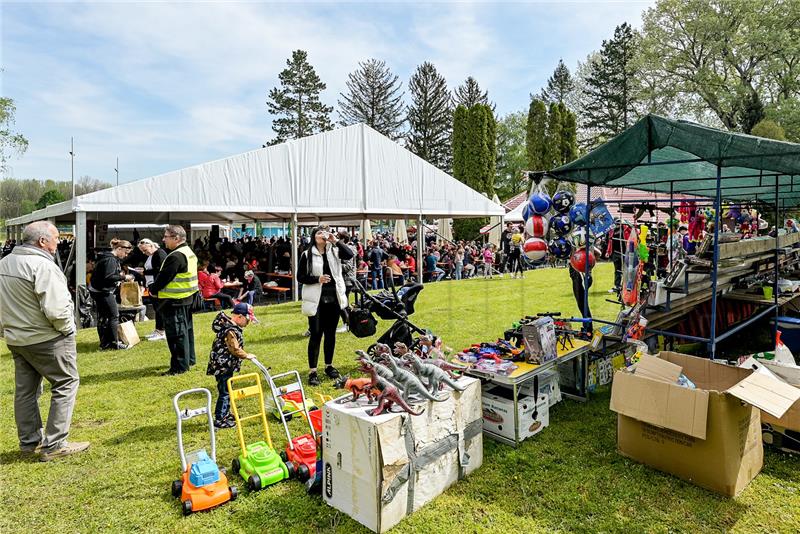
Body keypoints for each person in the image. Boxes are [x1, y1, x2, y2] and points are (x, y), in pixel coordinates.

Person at [0, 221, 88, 461]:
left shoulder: (5, 263)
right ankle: (55, 443)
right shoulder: (42, 266)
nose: (58, 242)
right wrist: (68, 331)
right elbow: (57, 309)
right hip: (47, 338)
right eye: (56, 238)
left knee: (25, 391)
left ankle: (29, 441)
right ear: (42, 241)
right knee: (66, 383)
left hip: (17, 338)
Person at [296, 226, 354, 386]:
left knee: (330, 333)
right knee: (315, 333)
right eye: (319, 233)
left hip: (334, 298)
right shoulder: (307, 254)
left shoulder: (334, 250)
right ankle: (312, 371)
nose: (323, 235)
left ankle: (329, 366)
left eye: (325, 232)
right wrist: (317, 279)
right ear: (314, 236)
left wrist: (335, 241)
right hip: (316, 299)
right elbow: (300, 277)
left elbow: (350, 255)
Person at [149, 225, 199, 376]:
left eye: (166, 237)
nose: (163, 239)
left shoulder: (176, 256)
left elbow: (164, 278)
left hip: (174, 300)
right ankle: (189, 360)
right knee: (186, 331)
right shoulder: (188, 252)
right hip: (187, 297)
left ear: (176, 238)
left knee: (176, 334)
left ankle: (179, 367)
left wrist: (153, 289)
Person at [206, 302, 256, 429]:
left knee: (227, 389)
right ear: (239, 317)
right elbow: (234, 349)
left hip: (226, 364)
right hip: (223, 366)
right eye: (247, 320)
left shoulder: (231, 327)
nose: (248, 323)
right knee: (225, 392)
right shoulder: (230, 330)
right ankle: (220, 418)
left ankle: (226, 413)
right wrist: (246, 355)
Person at [90, 238, 134, 350]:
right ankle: (114, 343)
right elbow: (109, 277)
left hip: (98, 291)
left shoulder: (106, 258)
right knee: (114, 316)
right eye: (125, 253)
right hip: (103, 292)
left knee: (104, 318)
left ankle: (105, 343)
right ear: (119, 248)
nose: (125, 256)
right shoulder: (111, 260)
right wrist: (124, 277)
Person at [138, 238, 168, 341]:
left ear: (151, 245)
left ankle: (161, 331)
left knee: (159, 308)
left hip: (156, 285)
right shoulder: (153, 255)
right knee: (157, 309)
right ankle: (158, 330)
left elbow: (160, 270)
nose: (144, 253)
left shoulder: (159, 254)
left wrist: (144, 272)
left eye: (145, 250)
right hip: (152, 284)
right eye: (142, 251)